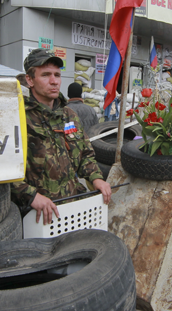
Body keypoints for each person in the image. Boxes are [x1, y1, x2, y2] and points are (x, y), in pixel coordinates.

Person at [11, 48, 111, 225]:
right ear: (30, 79)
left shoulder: (69, 116)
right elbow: (4, 169)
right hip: (36, 215)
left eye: (57, 75)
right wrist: (31, 195)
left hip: (73, 207)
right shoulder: (17, 117)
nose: (54, 81)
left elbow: (85, 155)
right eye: (46, 75)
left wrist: (96, 178)